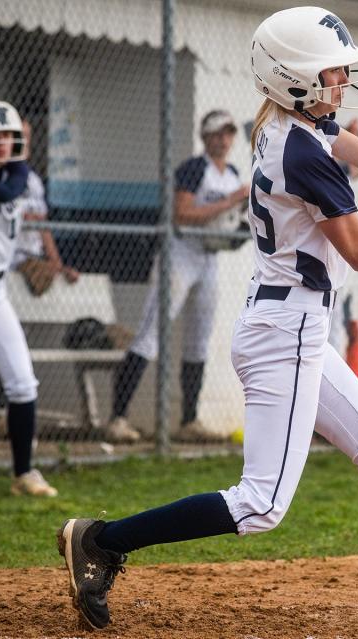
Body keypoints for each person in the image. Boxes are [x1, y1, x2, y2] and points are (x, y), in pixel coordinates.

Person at [57, 7, 358, 630]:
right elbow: (357, 252)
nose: (340, 82)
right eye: (329, 73)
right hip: (287, 335)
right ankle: (102, 541)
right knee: (261, 505)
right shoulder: (304, 152)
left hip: (294, 326)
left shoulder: (296, 126)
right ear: (292, 79)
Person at [105, 109, 249, 443]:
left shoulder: (233, 173)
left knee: (199, 340)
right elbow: (182, 215)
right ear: (205, 136)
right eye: (218, 133)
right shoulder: (195, 168)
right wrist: (230, 201)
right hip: (181, 254)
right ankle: (117, 417)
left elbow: (229, 219)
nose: (224, 139)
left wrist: (239, 213)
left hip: (209, 258)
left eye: (229, 133)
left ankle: (189, 421)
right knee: (151, 333)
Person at [0, 99, 56, 496]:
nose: (1, 143)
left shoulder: (19, 174)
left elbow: (6, 194)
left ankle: (23, 474)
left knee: (22, 382)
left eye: (7, 135)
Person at [11, 120, 80, 294]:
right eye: (19, 137)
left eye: (27, 138)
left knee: (63, 274)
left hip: (32, 256)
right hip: (6, 257)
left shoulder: (33, 181)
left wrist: (57, 263)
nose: (25, 144)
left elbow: (42, 224)